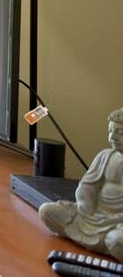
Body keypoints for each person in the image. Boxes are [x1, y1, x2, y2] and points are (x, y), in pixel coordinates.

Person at [41, 109, 123, 260]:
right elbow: (87, 186)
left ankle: (108, 244)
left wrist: (114, 219)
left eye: (120, 132)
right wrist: (85, 205)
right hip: (91, 215)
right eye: (110, 131)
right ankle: (101, 243)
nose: (113, 137)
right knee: (47, 211)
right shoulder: (105, 156)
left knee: (117, 241)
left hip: (117, 223)